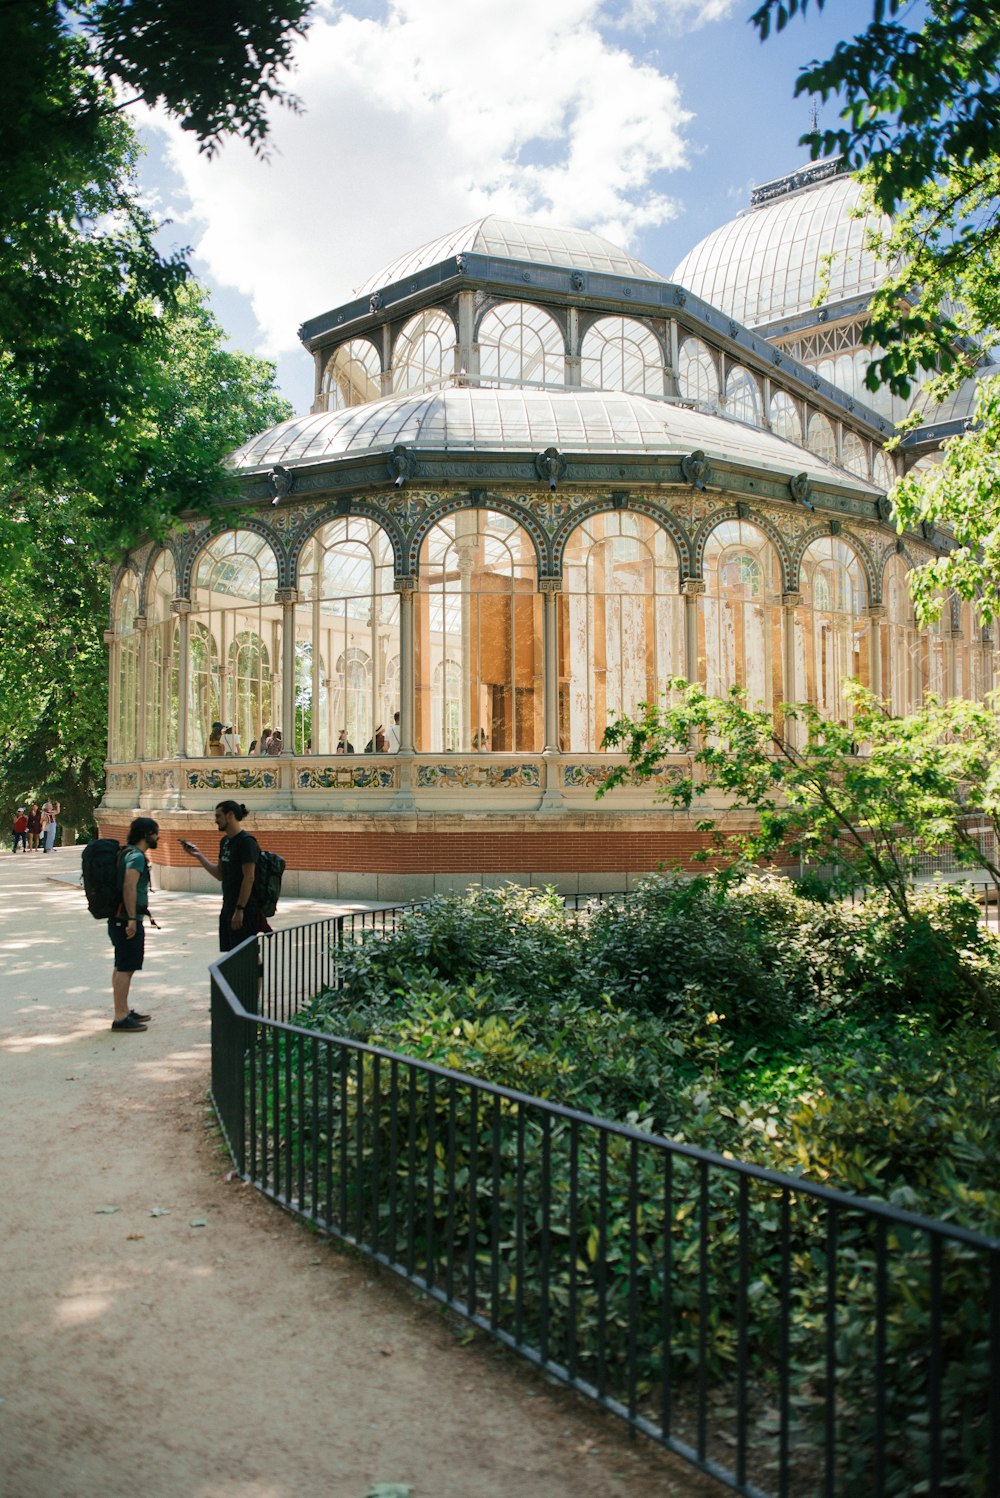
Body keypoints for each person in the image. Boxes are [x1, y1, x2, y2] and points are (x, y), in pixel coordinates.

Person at [179, 801, 272, 952]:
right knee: (234, 956)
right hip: (228, 907)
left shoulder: (246, 842)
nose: (215, 820)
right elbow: (219, 874)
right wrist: (198, 855)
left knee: (246, 955)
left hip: (245, 910)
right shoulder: (225, 842)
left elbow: (249, 878)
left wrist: (240, 909)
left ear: (230, 816)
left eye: (218, 816)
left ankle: (256, 977)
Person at [108, 817, 159, 1032]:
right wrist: (131, 919)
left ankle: (124, 1010)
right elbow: (129, 886)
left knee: (122, 965)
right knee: (126, 967)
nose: (158, 837)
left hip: (119, 918)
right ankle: (120, 1017)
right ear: (146, 834)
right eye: (155, 833)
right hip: (126, 920)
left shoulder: (128, 852)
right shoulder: (136, 857)